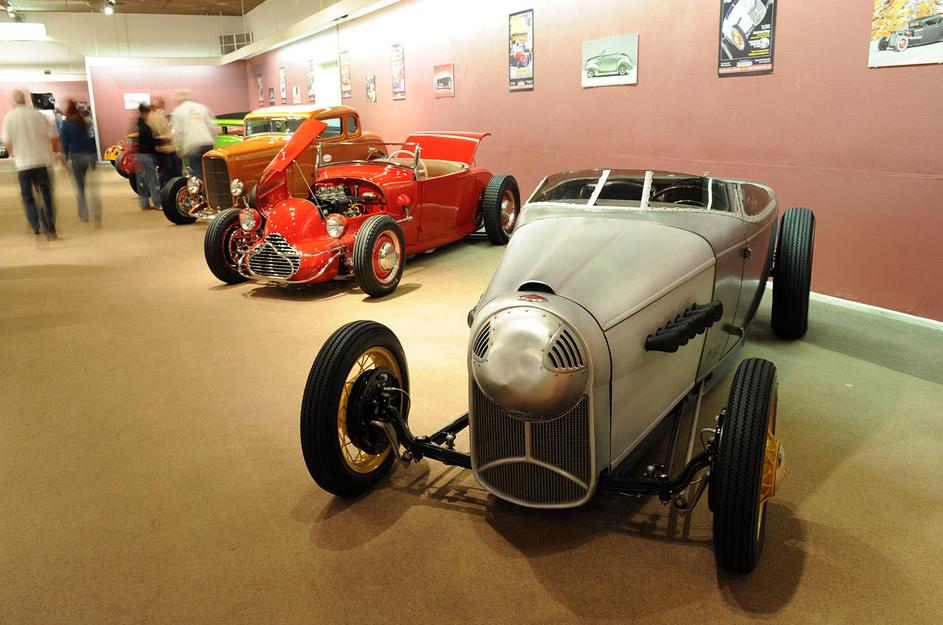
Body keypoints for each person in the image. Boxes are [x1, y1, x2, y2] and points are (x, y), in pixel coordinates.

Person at [1, 89, 59, 239]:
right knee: (46, 195)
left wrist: (13, 152)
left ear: (13, 101)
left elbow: (7, 143)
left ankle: (36, 225)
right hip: (41, 162)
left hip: (23, 164)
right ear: (26, 100)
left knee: (28, 197)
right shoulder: (38, 115)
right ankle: (50, 228)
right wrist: (52, 151)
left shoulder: (9, 118)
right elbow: (53, 138)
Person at [60, 98, 100, 225]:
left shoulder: (66, 124)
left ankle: (84, 214)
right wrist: (93, 159)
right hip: (87, 155)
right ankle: (96, 213)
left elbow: (65, 144)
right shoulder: (82, 121)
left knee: (80, 187)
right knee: (92, 188)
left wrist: (65, 160)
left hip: (75, 157)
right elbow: (89, 139)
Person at [171, 89, 217, 183]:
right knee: (211, 172)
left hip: (192, 146)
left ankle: (202, 192)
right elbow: (212, 126)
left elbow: (178, 132)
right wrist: (213, 141)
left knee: (197, 175)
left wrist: (178, 147)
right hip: (207, 142)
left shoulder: (178, 111)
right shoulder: (202, 108)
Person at [135, 103, 162, 210]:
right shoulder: (146, 127)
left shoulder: (140, 125)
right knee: (153, 180)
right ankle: (157, 203)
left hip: (140, 156)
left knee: (142, 181)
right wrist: (162, 140)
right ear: (145, 113)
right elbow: (151, 142)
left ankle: (145, 204)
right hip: (147, 156)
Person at [148, 96, 180, 180]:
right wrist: (168, 138)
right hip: (164, 149)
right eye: (162, 102)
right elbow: (159, 132)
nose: (164, 104)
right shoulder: (155, 116)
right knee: (168, 172)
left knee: (168, 171)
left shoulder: (156, 115)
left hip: (166, 148)